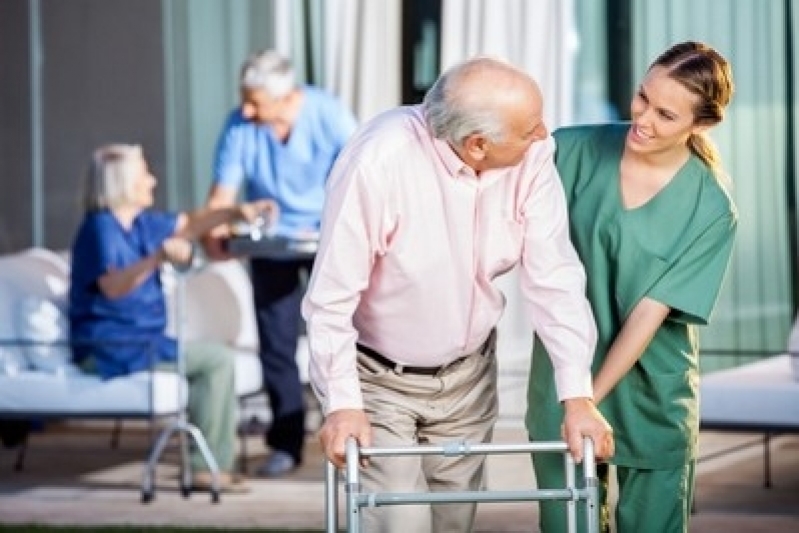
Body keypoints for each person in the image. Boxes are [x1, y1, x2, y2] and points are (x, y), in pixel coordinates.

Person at [302, 56, 614, 533]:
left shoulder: (532, 156)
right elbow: (331, 297)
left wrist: (578, 397)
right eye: (530, 127)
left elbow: (556, 279)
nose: (543, 133)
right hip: (380, 381)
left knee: (454, 523)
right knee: (401, 524)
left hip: (469, 378)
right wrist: (343, 403)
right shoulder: (378, 161)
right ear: (477, 145)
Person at [527, 41, 737, 533]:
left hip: (652, 393)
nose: (642, 118)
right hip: (563, 380)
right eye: (642, 97)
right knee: (566, 524)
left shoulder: (711, 209)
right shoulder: (570, 151)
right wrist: (573, 398)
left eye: (666, 114)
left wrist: (587, 400)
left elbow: (649, 314)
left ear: (700, 124)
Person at [68, 143, 276, 493]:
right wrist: (156, 260)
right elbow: (113, 287)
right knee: (215, 359)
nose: (152, 180)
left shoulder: (142, 224)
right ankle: (202, 467)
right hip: (110, 347)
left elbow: (192, 222)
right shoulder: (100, 229)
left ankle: (206, 463)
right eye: (143, 174)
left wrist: (234, 212)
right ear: (122, 183)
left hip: (147, 342)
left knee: (215, 356)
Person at [202, 49, 358, 478]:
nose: (246, 109)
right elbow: (222, 195)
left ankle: (360, 435)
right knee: (277, 344)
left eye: (255, 101)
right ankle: (287, 443)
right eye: (244, 99)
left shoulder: (327, 113)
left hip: (330, 239)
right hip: (274, 244)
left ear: (286, 96)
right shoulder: (240, 125)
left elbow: (364, 175)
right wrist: (214, 230)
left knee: (351, 333)